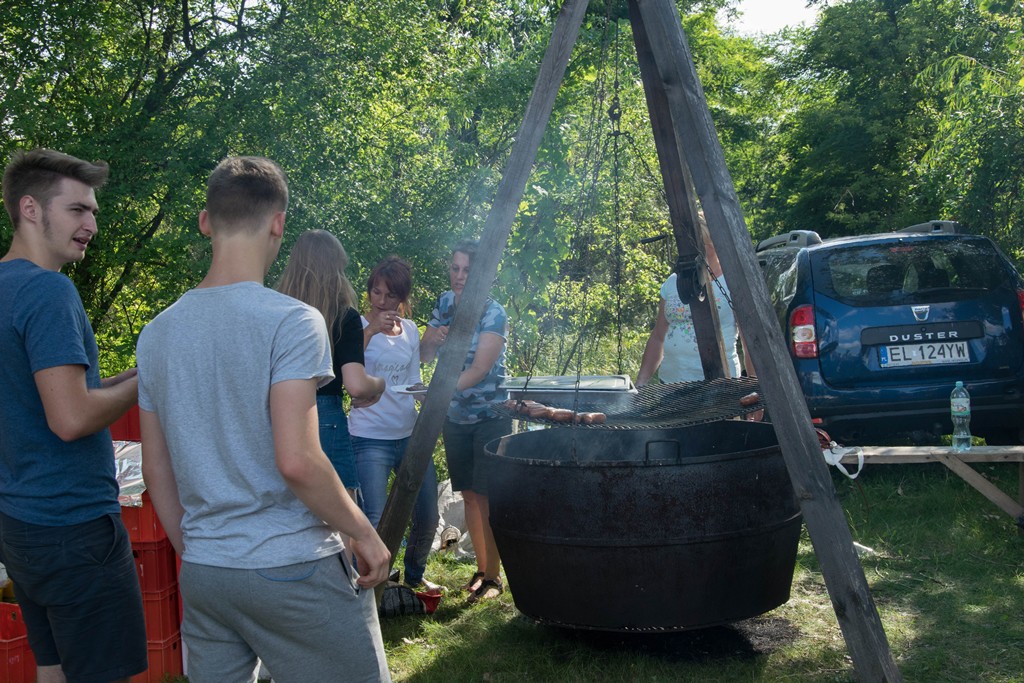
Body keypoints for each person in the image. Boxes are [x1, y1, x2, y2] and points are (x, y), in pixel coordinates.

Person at [136, 156, 391, 682]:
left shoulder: (157, 333)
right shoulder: (293, 320)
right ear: (278, 223)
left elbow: (157, 472)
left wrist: (203, 551)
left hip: (206, 571)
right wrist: (365, 532)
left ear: (206, 221)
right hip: (292, 565)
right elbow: (297, 460)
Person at [0, 148, 147, 682]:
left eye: (93, 213)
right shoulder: (48, 291)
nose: (90, 225)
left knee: (54, 671)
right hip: (75, 527)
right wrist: (152, 383)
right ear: (32, 209)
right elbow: (70, 417)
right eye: (77, 210)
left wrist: (134, 375)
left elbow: (55, 394)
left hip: (21, 526)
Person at [420, 239, 510, 603]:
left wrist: (439, 392)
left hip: (491, 415)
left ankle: (494, 578)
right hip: (455, 416)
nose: (459, 276)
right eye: (455, 269)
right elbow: (425, 356)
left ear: (480, 274)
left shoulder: (493, 312)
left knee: (488, 496)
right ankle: (480, 571)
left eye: (466, 270)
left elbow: (479, 369)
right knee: (470, 496)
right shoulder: (444, 304)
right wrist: (433, 338)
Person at [349, 256, 440, 592]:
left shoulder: (411, 330)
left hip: (409, 435)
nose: (382, 301)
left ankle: (414, 576)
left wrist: (427, 395)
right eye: (376, 293)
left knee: (428, 513)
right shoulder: (357, 326)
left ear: (402, 298)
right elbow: (346, 367)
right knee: (373, 519)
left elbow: (413, 379)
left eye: (390, 296)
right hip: (369, 436)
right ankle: (373, 588)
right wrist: (371, 330)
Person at [276, 230, 385, 501]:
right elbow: (357, 385)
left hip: (278, 415)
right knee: (341, 518)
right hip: (325, 418)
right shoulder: (344, 316)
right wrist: (380, 384)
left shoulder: (277, 312)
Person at [636, 218, 755, 386]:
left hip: (721, 385)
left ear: (713, 244)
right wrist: (640, 382)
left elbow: (749, 340)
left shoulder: (733, 283)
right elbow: (658, 337)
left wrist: (754, 387)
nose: (693, 252)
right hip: (671, 384)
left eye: (699, 245)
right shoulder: (672, 283)